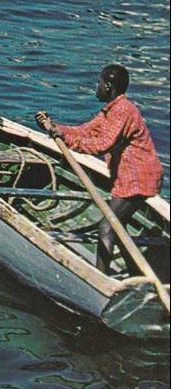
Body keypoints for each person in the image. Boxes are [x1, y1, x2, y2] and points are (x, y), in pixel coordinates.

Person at [35, 64, 163, 274]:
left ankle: (100, 281)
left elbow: (102, 144)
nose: (97, 87)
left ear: (108, 86)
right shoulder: (111, 110)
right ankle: (137, 274)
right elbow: (85, 131)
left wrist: (65, 139)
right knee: (118, 229)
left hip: (138, 177)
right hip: (126, 177)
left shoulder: (122, 111)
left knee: (107, 227)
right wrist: (55, 129)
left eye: (100, 83)